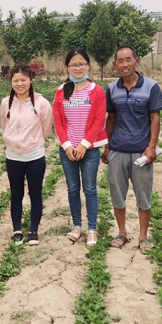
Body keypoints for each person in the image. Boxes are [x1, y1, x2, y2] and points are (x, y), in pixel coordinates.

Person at [103, 46, 162, 253]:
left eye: (128, 60)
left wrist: (151, 148)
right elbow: (111, 118)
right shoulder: (112, 88)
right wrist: (107, 146)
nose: (124, 64)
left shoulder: (151, 86)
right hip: (118, 151)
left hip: (141, 152)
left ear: (136, 61)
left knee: (143, 195)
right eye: (120, 61)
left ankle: (143, 236)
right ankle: (122, 232)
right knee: (117, 194)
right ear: (114, 65)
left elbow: (155, 119)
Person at [52, 48, 107, 247]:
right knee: (73, 188)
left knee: (90, 189)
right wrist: (67, 146)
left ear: (87, 66)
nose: (77, 67)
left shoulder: (97, 91)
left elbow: (100, 120)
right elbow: (57, 121)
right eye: (73, 64)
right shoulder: (61, 91)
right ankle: (77, 225)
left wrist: (84, 145)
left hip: (89, 150)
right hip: (67, 150)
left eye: (81, 63)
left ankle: (92, 228)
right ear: (67, 67)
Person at [0, 63, 53, 246]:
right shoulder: (6, 102)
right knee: (16, 194)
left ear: (31, 80)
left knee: (35, 193)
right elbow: (4, 125)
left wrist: (31, 141)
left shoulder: (41, 103)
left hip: (35, 157)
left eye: (23, 80)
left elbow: (46, 129)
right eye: (16, 80)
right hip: (13, 156)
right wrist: (12, 141)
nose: (19, 84)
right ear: (11, 81)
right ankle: (16, 230)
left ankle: (33, 230)